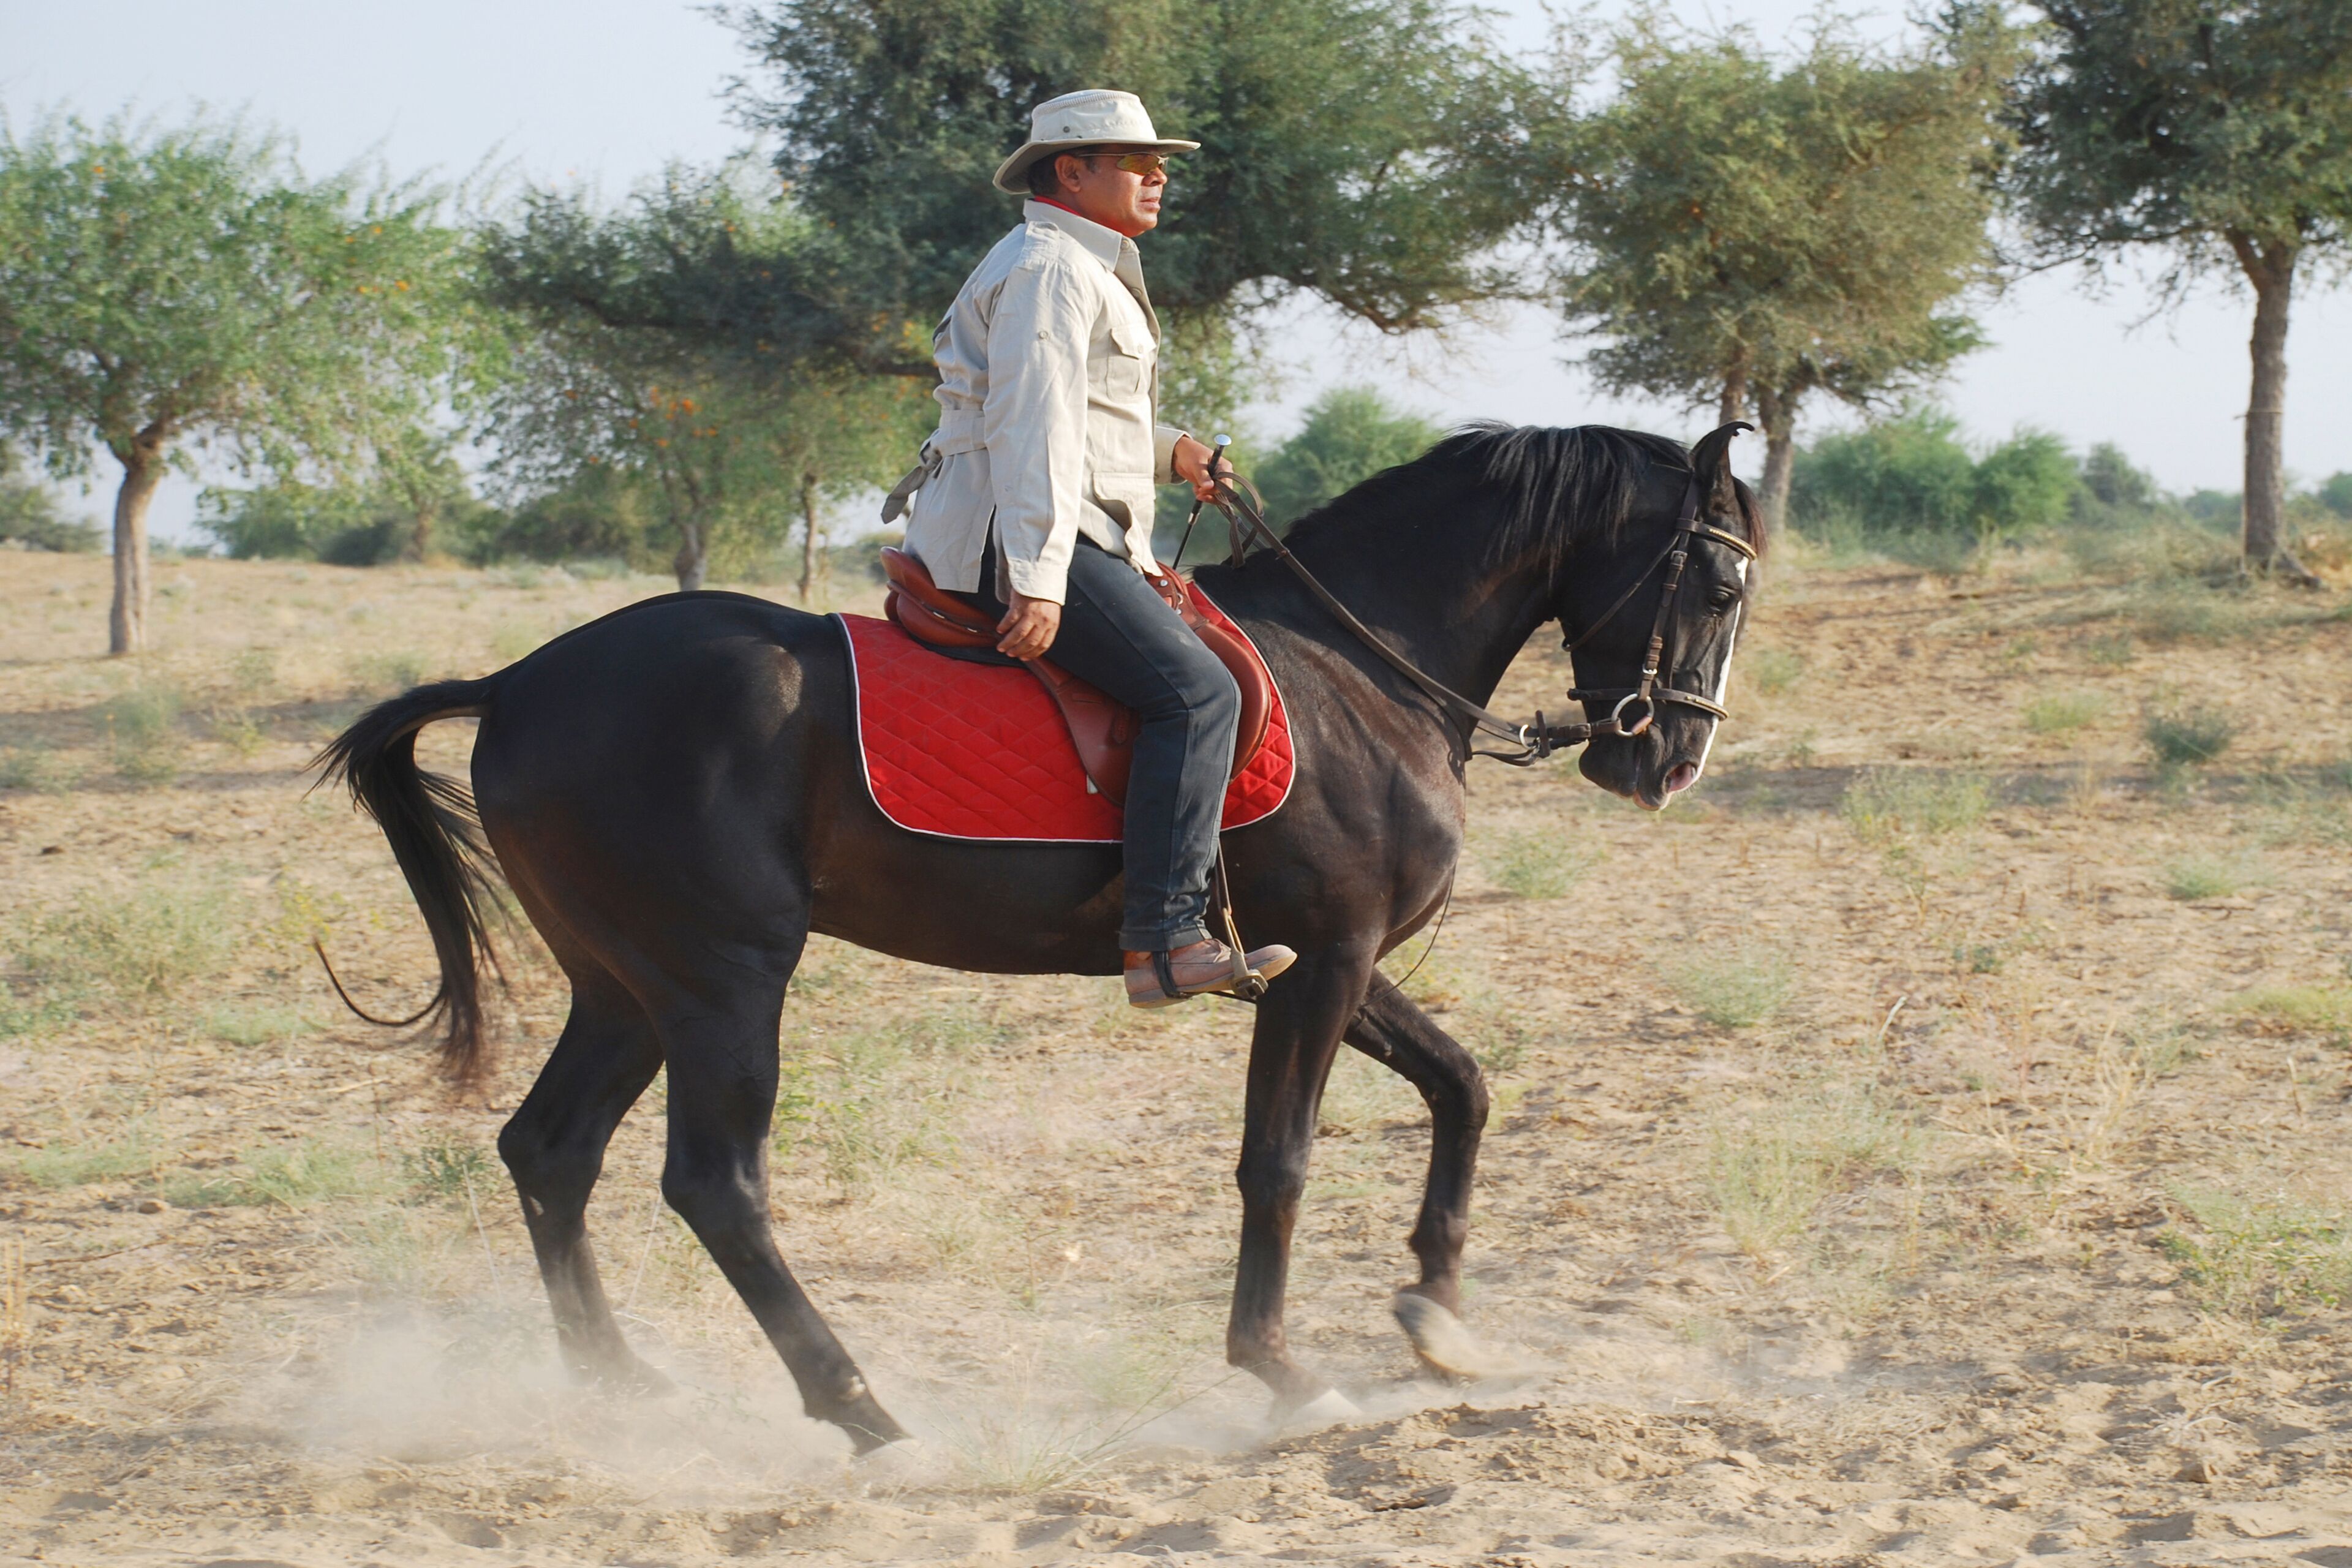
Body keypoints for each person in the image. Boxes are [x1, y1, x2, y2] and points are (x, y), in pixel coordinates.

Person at [890, 88, 1295, 1007]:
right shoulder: (1052, 269)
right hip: (1023, 533)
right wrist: (1037, 581)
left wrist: (1171, 449)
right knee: (1199, 695)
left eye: (1161, 164)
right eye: (1138, 162)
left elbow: (1081, 418)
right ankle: (1166, 941)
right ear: (1071, 172)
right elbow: (1029, 430)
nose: (1159, 178)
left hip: (1046, 520)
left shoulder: (1074, 264)